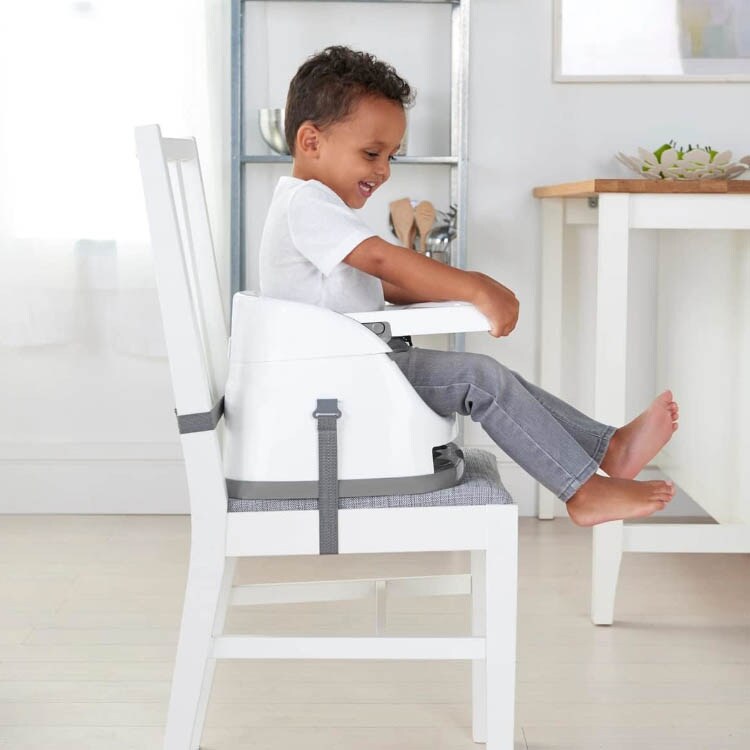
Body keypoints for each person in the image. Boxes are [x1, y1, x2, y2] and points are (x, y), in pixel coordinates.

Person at [259, 45, 679, 526]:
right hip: (344, 377)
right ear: (311, 142)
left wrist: (458, 293)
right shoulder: (307, 203)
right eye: (372, 153)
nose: (383, 170)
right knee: (481, 378)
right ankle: (582, 490)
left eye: (391, 156)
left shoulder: (314, 208)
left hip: (356, 367)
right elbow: (381, 260)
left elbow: (381, 284)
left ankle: (610, 448)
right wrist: (475, 287)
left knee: (495, 377)